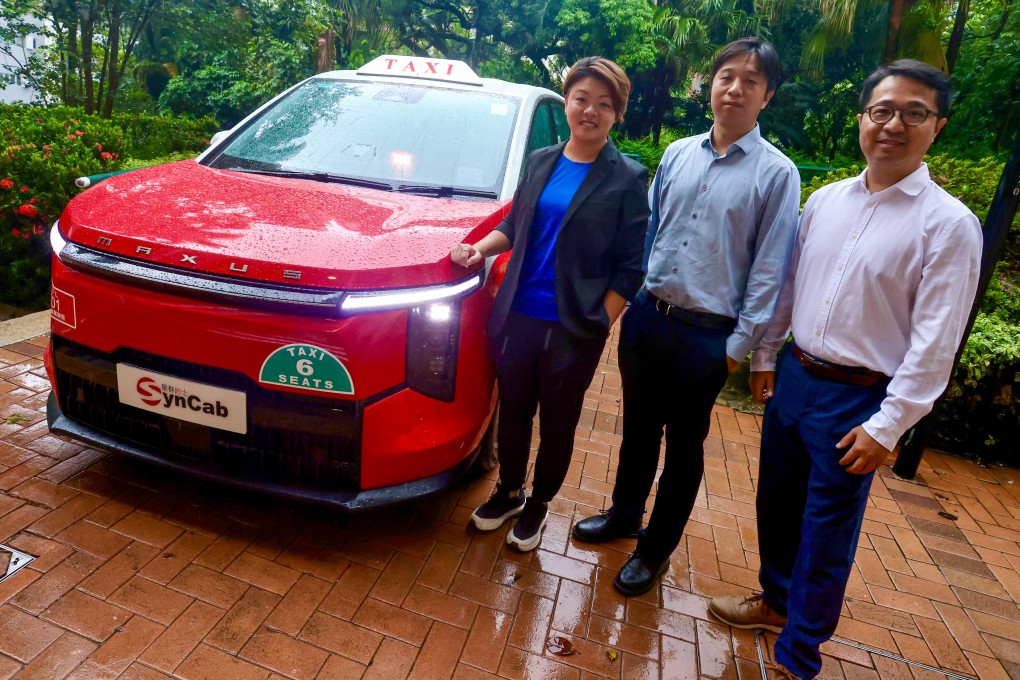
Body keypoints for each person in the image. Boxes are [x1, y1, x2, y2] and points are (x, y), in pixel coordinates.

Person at [708, 59, 983, 679]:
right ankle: (776, 603)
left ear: (936, 126)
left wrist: (889, 426)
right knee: (776, 504)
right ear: (862, 118)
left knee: (826, 529)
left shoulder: (948, 225)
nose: (894, 124)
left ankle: (799, 656)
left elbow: (936, 341)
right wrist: (767, 357)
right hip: (797, 380)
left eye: (914, 113)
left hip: (858, 398)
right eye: (882, 110)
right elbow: (788, 288)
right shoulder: (827, 199)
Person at [570, 37, 800, 596]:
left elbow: (771, 269)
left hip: (709, 336)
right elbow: (650, 235)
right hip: (649, 318)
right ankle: (625, 515)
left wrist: (737, 348)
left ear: (766, 95)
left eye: (750, 80)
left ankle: (655, 549)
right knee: (639, 429)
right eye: (726, 76)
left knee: (684, 446)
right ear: (710, 84)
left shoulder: (777, 174)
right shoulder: (677, 153)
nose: (735, 88)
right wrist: (633, 300)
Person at [450, 56, 649, 552]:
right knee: (514, 410)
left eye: (604, 105)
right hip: (518, 314)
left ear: (616, 114)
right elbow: (514, 226)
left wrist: (599, 322)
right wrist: (479, 250)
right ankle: (510, 491)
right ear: (567, 102)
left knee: (558, 421)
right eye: (582, 99)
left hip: (572, 327)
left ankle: (539, 502)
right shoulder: (541, 160)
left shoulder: (626, 178)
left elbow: (630, 266)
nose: (590, 111)